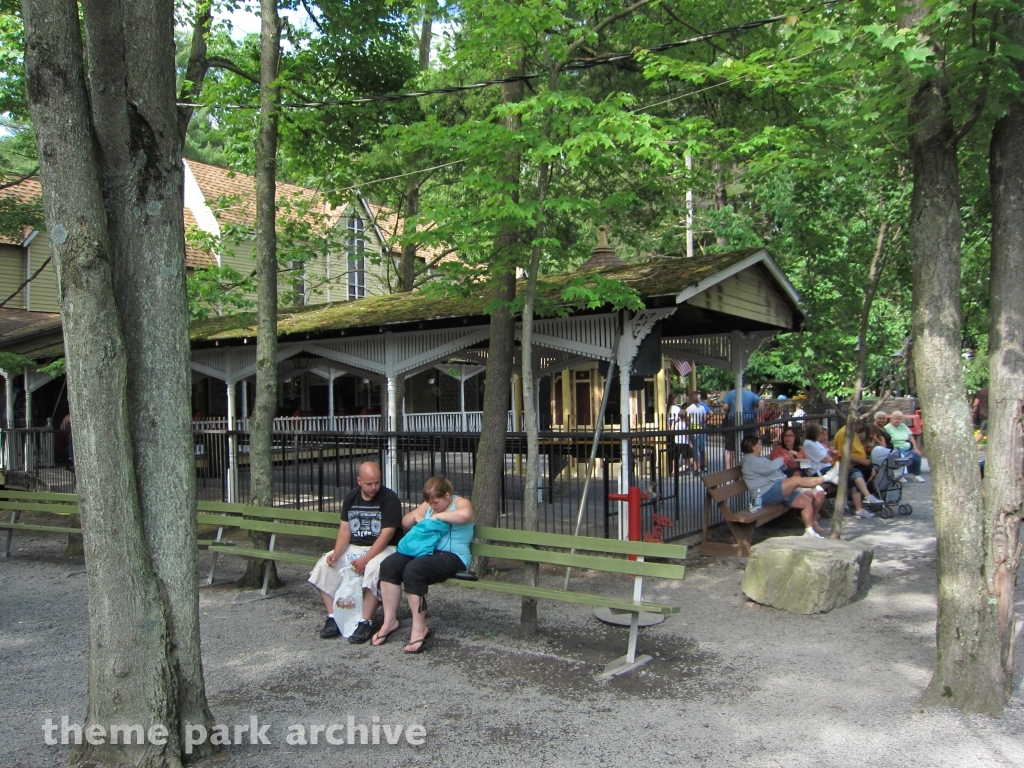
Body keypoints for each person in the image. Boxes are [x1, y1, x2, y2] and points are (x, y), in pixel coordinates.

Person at [374, 475, 474, 653]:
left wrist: (438, 517)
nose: (433, 506)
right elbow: (405, 522)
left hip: (453, 556)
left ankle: (420, 628)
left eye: (436, 502)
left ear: (447, 495)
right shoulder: (429, 505)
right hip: (427, 552)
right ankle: (389, 621)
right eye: (430, 502)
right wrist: (416, 516)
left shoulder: (460, 503)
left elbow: (465, 515)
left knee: (414, 570)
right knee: (390, 564)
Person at [307, 462, 403, 641]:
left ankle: (365, 621)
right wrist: (336, 553)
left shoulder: (389, 499)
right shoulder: (351, 497)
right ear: (359, 481)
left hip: (384, 547)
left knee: (373, 568)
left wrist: (365, 559)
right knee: (324, 566)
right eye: (369, 484)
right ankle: (333, 616)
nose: (374, 487)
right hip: (356, 545)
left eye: (377, 482)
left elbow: (387, 535)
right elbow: (345, 530)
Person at [740, 435, 826, 537]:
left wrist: (784, 461)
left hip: (777, 489)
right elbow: (770, 467)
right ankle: (825, 478)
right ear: (752, 446)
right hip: (766, 493)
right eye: (759, 444)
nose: (761, 446)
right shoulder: (750, 461)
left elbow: (774, 470)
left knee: (806, 501)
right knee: (795, 480)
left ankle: (809, 531)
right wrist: (781, 459)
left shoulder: (757, 459)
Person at [833, 421, 885, 517]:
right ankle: (867, 495)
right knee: (866, 471)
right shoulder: (844, 433)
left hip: (856, 464)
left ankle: (865, 498)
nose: (861, 426)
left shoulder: (852, 432)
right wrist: (862, 461)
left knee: (874, 468)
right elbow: (843, 454)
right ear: (854, 423)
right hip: (848, 466)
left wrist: (863, 449)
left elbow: (853, 449)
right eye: (860, 423)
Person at [723, 384, 762, 468]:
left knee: (730, 447)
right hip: (749, 420)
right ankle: (751, 466)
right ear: (745, 385)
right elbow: (761, 402)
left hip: (733, 420)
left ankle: (729, 469)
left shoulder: (731, 393)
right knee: (751, 444)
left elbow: (725, 407)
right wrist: (757, 414)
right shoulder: (750, 394)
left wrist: (729, 410)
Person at [884, 410, 925, 482]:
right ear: (892, 418)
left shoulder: (903, 426)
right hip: (897, 447)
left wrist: (915, 448)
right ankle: (900, 475)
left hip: (907, 446)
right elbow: (887, 440)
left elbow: (911, 438)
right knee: (902, 457)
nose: (897, 420)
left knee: (916, 455)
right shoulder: (887, 428)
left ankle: (917, 475)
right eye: (896, 418)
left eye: (899, 419)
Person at [667, 393, 694, 474]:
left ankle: (672, 469)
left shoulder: (667, 408)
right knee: (687, 455)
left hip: (670, 433)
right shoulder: (677, 409)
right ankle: (690, 467)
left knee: (674, 454)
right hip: (681, 439)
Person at [685, 391, 708, 472]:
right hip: (700, 428)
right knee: (701, 448)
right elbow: (704, 419)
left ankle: (696, 467)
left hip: (693, 428)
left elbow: (688, 418)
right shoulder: (702, 408)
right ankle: (701, 465)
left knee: (695, 448)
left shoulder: (690, 408)